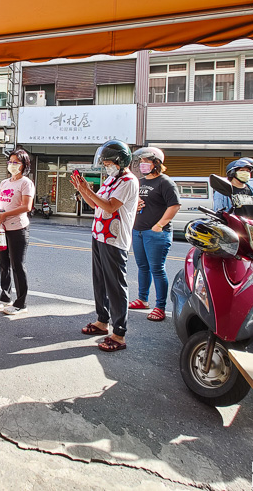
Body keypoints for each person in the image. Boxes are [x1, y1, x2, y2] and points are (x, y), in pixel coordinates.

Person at [71, 140, 139, 352]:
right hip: (100, 235)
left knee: (116, 286)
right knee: (100, 282)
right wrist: (82, 190)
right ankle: (102, 321)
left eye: (109, 162)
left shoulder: (128, 181)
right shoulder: (111, 179)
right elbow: (94, 203)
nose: (106, 166)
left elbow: (110, 206)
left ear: (120, 161)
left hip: (115, 239)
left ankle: (119, 334)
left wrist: (87, 190)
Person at [129, 147, 180, 322]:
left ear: (156, 163)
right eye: (141, 162)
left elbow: (174, 205)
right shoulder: (140, 182)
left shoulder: (165, 182)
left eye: (146, 162)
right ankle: (143, 299)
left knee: (157, 269)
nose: (143, 165)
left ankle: (160, 307)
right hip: (139, 231)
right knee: (142, 267)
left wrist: (159, 225)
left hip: (157, 233)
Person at [0, 149, 35, 315]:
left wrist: (4, 215)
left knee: (17, 265)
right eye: (10, 162)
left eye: (16, 162)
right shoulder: (4, 183)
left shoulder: (26, 183)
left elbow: (26, 207)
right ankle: (5, 297)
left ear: (24, 165)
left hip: (18, 229)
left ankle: (21, 303)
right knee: (3, 264)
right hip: (2, 229)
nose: (12, 165)